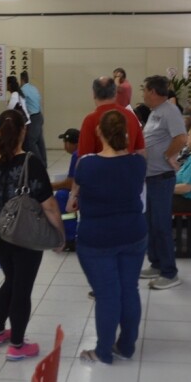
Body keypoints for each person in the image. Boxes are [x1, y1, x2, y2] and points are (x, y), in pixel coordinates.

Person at [0, 109, 65, 361]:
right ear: (24, 131)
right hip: (24, 235)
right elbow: (49, 205)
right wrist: (60, 235)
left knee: (10, 280)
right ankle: (17, 345)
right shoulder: (30, 162)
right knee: (22, 288)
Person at [67, 110, 148, 363]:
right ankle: (126, 346)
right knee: (129, 289)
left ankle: (103, 351)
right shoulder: (138, 163)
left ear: (98, 132)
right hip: (133, 233)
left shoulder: (86, 164)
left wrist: (74, 199)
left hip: (97, 238)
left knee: (107, 294)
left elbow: (76, 196)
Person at [139, 74, 187, 290]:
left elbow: (181, 138)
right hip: (150, 178)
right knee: (150, 224)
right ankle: (156, 263)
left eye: (144, 90)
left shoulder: (170, 111)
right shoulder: (155, 112)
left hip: (161, 177)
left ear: (152, 91)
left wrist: (168, 155)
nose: (142, 94)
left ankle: (170, 272)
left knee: (161, 226)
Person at [77, 76, 144, 157]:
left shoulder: (90, 120)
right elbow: (140, 151)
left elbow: (84, 157)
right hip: (129, 164)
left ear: (94, 94)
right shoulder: (131, 116)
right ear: (115, 92)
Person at [51, 128, 80, 249]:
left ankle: (69, 238)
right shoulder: (83, 151)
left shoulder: (77, 154)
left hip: (85, 192)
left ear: (69, 143)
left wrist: (51, 186)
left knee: (62, 196)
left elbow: (70, 184)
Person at [19, 71, 47, 163]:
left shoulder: (22, 90)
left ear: (21, 79)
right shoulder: (34, 88)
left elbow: (21, 104)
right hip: (39, 116)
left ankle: (38, 164)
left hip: (33, 118)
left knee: (30, 142)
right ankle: (44, 163)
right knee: (40, 142)